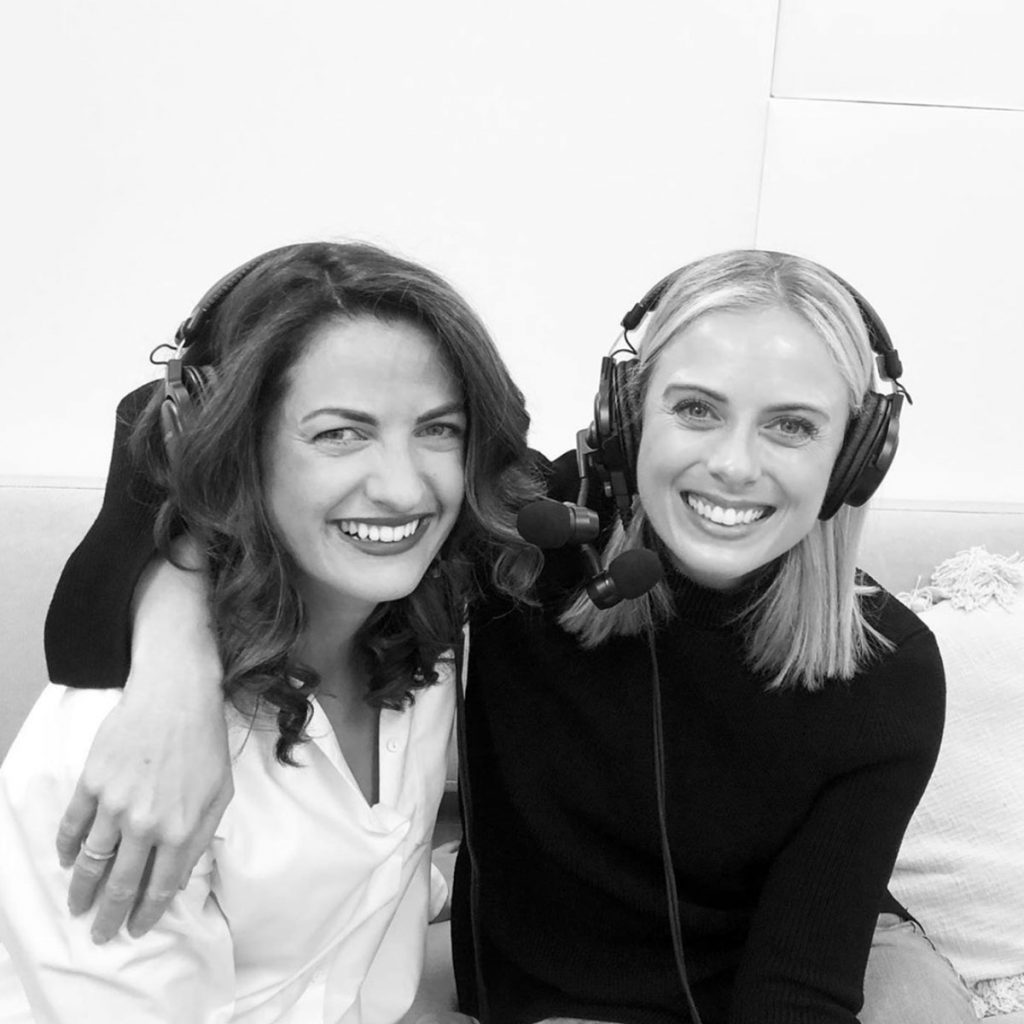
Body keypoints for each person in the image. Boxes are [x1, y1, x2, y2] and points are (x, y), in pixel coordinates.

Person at [31, 251, 976, 1024]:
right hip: (551, 990)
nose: (734, 465)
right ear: (624, 418)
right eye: (695, 408)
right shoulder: (519, 542)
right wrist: (174, 672)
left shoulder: (888, 669)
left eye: (793, 426)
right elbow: (177, 426)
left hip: (817, 955)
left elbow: (800, 985)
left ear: (856, 456)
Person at [0, 241, 542, 1023]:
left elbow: (346, 889)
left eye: (438, 429)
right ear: (234, 449)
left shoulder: (422, 641)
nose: (403, 488)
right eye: (339, 434)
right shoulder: (120, 753)